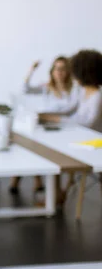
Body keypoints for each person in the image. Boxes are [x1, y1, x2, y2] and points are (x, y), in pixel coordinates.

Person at [10, 56, 81, 194]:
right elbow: (24, 89)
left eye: (62, 69)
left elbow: (71, 111)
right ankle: (27, 180)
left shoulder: (74, 90)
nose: (59, 72)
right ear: (52, 71)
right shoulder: (47, 87)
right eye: (56, 69)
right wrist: (32, 70)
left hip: (65, 127)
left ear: (68, 71)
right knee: (30, 145)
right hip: (44, 124)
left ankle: (56, 189)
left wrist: (53, 117)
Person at [40, 50, 102, 132]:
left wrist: (56, 119)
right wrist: (45, 115)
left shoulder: (98, 96)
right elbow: (70, 110)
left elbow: (88, 122)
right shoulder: (83, 91)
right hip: (81, 134)